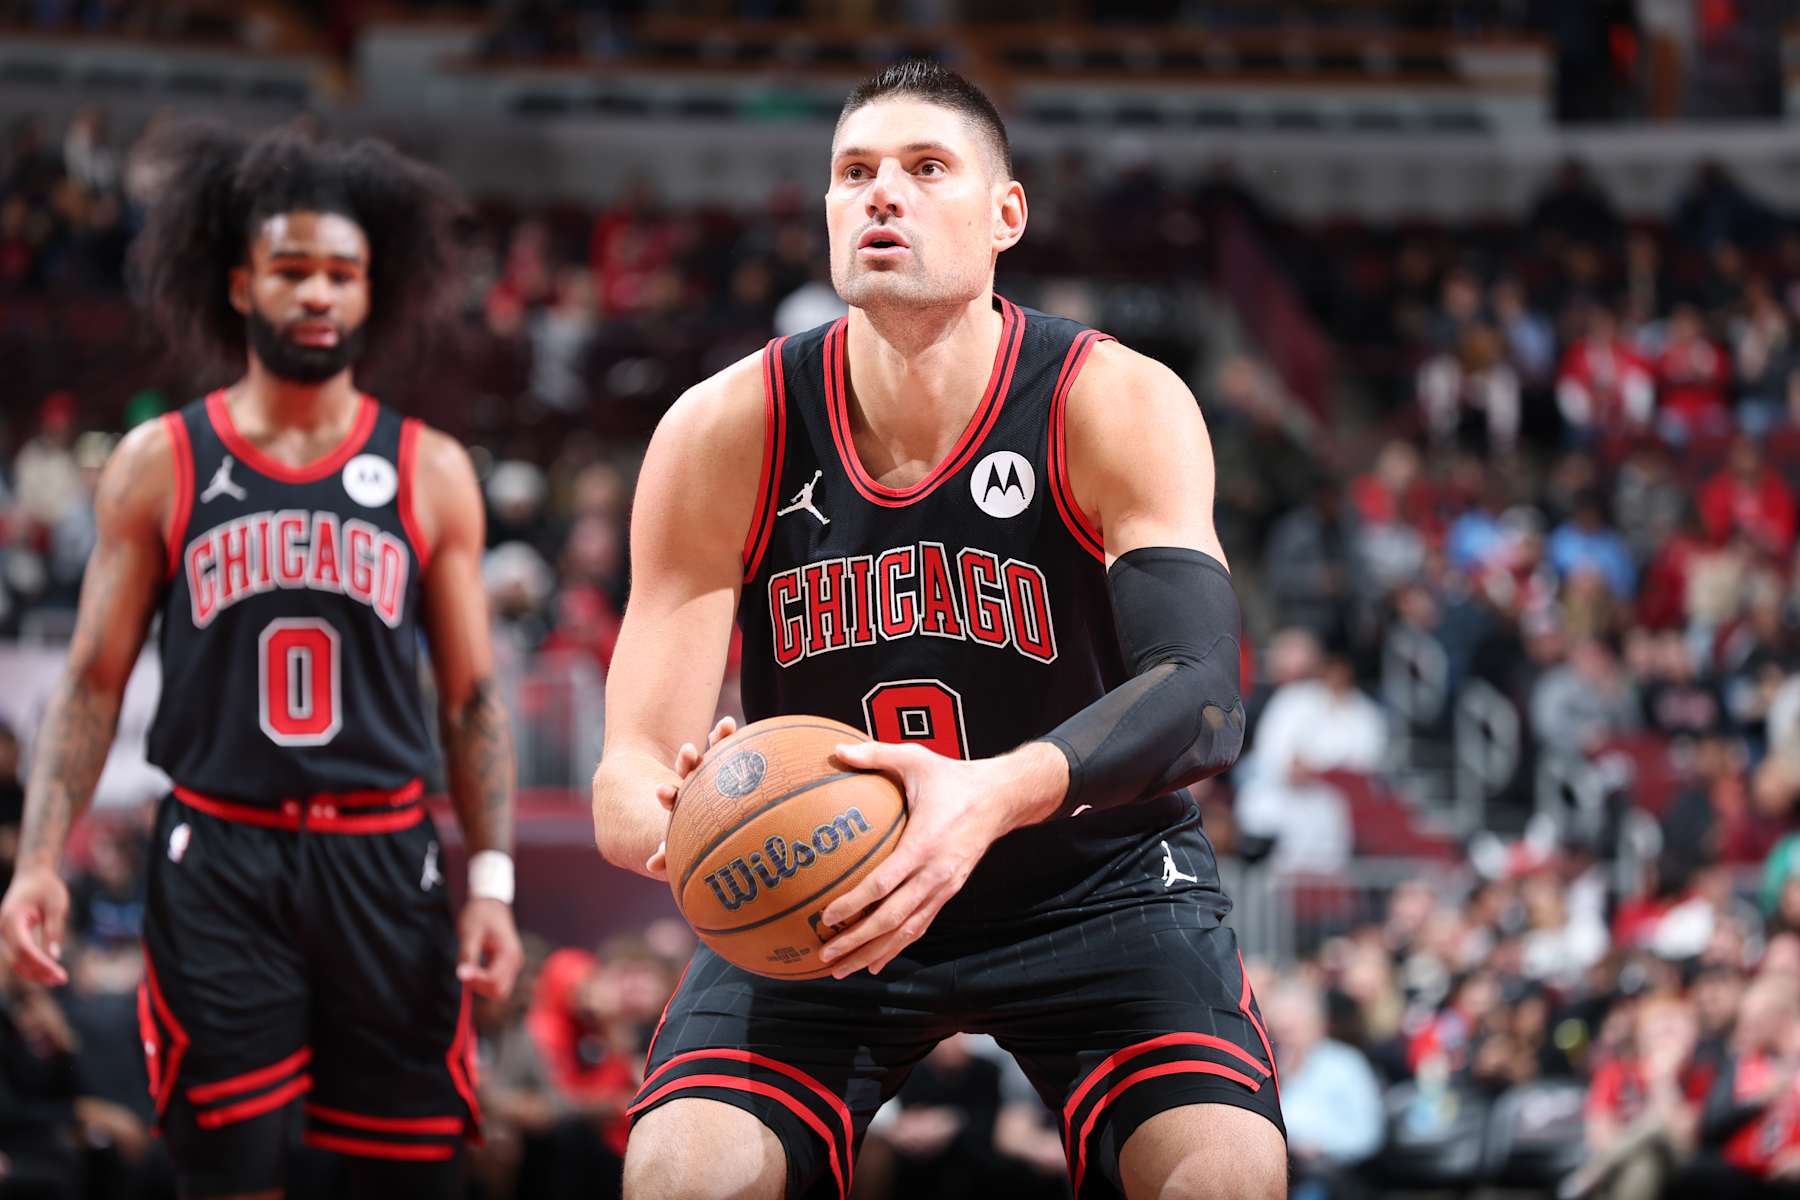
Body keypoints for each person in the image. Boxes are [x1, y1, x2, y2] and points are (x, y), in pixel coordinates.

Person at [591, 60, 1284, 1200]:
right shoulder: (726, 428)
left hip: (1093, 880)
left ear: (1006, 212)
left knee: (1224, 1177)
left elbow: (1203, 694)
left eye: (924, 168)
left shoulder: (1108, 399)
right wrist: (675, 814)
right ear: (824, 213)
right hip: (824, 890)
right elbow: (626, 768)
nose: (881, 195)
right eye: (854, 172)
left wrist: (990, 795)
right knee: (679, 1175)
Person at [0, 123, 524, 1199]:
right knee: (227, 1173)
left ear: (375, 291)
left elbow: (472, 700)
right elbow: (94, 680)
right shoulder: (162, 461)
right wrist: (40, 858)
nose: (318, 294)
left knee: (407, 1176)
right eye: (293, 270)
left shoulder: (428, 469)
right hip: (219, 857)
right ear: (241, 284)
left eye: (343, 273)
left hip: (385, 855)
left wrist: (494, 885)